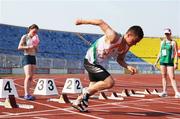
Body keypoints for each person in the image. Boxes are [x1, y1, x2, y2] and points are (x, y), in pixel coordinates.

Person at [72, 19, 144, 112]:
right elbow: (100, 22)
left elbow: (120, 59)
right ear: (129, 35)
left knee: (94, 87)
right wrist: (81, 21)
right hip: (91, 61)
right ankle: (85, 92)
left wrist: (127, 66)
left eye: (137, 42)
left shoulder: (127, 47)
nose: (135, 44)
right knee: (109, 83)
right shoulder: (114, 36)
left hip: (101, 64)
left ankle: (77, 102)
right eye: (134, 41)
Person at [154, 28, 180, 98]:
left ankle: (177, 92)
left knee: (172, 77)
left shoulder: (173, 42)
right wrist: (156, 62)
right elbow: (160, 52)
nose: (167, 35)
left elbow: (176, 53)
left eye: (168, 34)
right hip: (162, 61)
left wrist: (176, 63)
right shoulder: (162, 42)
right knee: (163, 77)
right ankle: (164, 91)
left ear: (170, 34)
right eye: (165, 34)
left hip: (169, 62)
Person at [18, 24, 40, 100]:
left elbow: (37, 50)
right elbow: (19, 47)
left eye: (36, 32)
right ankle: (26, 94)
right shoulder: (25, 37)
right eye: (34, 31)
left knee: (31, 77)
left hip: (33, 57)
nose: (35, 33)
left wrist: (36, 46)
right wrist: (28, 47)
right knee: (28, 76)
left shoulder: (36, 38)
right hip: (26, 56)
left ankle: (29, 93)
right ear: (30, 29)